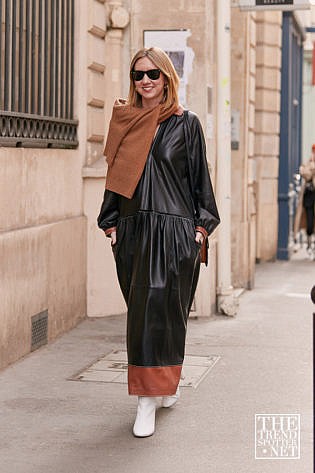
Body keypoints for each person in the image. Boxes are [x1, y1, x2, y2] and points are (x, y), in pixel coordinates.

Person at [97, 47, 220, 437]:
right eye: (138, 75)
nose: (145, 81)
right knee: (143, 316)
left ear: (167, 77)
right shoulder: (125, 121)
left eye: (152, 74)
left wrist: (199, 230)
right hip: (134, 234)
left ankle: (152, 397)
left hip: (175, 236)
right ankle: (151, 394)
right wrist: (111, 225)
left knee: (169, 316)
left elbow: (201, 183)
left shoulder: (187, 124)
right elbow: (115, 179)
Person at [294, 144, 315, 259]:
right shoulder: (307, 163)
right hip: (308, 197)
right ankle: (309, 244)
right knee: (309, 222)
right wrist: (311, 167)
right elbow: (305, 173)